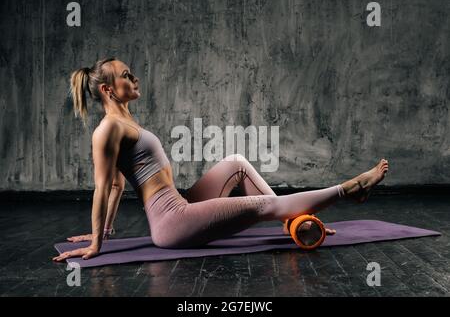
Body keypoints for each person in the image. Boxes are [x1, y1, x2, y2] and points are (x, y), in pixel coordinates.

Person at [53, 58, 389, 262]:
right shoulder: (108, 128)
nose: (134, 78)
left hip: (179, 206)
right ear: (107, 90)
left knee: (237, 163)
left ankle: (292, 219)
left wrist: (106, 230)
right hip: (172, 223)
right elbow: (104, 186)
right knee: (259, 206)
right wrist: (97, 242)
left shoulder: (126, 121)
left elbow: (118, 183)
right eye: (126, 74)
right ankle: (351, 188)